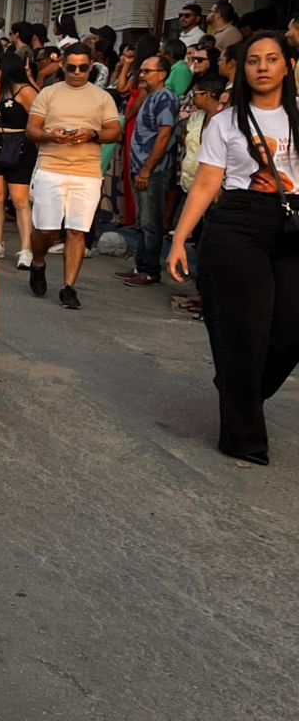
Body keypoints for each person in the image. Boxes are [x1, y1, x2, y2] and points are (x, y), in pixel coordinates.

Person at [168, 34, 299, 465]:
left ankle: (238, 388)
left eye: (272, 59)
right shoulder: (226, 122)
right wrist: (180, 238)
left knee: (288, 332)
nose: (262, 67)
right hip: (238, 223)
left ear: (287, 66)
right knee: (246, 332)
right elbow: (207, 184)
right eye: (253, 60)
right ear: (242, 70)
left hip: (292, 223)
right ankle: (244, 436)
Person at [26, 43, 122, 310]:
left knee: (77, 231)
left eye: (83, 67)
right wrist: (50, 135)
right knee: (46, 229)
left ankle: (69, 287)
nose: (77, 72)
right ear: (63, 66)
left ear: (91, 66)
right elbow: (32, 129)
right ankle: (38, 261)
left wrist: (93, 134)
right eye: (71, 67)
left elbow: (114, 131)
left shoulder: (102, 98)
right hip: (50, 167)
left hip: (87, 172)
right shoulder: (48, 93)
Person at [122, 55, 180, 287]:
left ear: (162, 74)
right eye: (142, 71)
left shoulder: (166, 98)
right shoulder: (152, 96)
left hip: (153, 169)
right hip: (142, 167)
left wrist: (147, 169)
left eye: (148, 71)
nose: (143, 75)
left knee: (150, 221)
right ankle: (141, 266)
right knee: (142, 219)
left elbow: (164, 135)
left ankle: (149, 270)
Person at [0, 52, 39, 269]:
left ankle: (26, 248)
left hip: (19, 144)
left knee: (20, 199)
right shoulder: (2, 91)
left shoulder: (24, 90)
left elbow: (39, 118)